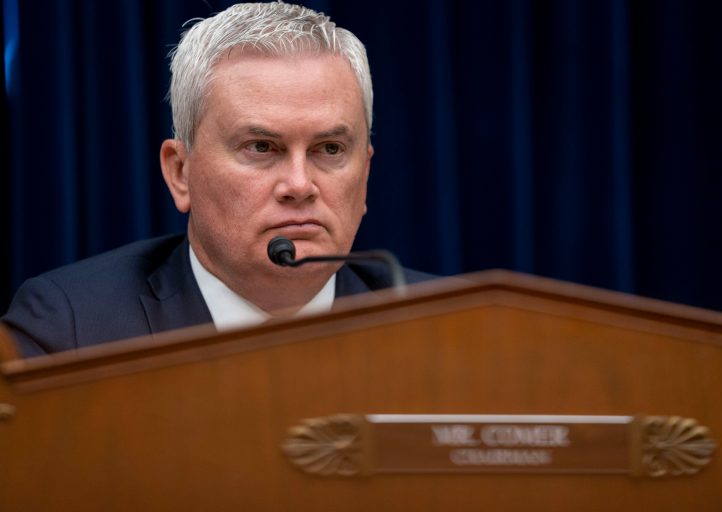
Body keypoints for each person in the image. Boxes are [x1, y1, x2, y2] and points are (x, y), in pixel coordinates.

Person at [1, 2, 431, 358]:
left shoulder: (453, 326)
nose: (300, 185)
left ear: (367, 172)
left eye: (330, 149)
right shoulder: (70, 331)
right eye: (261, 147)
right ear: (180, 173)